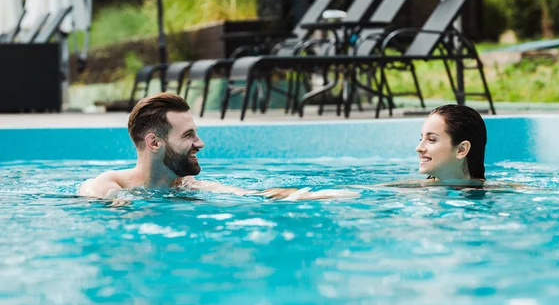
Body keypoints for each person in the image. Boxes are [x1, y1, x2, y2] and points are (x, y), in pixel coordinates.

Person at [79, 92, 357, 201]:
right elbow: (93, 191)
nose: (200, 143)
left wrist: (314, 195)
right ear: (154, 142)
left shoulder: (186, 186)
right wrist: (119, 203)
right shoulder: (113, 183)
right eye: (188, 135)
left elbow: (253, 194)